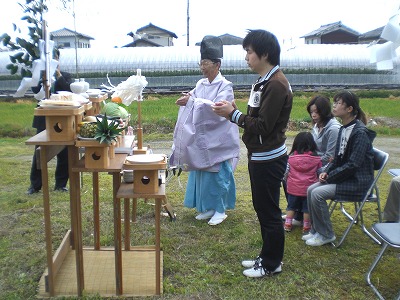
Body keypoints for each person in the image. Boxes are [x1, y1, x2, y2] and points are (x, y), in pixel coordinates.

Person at [212, 30, 293, 278]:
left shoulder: (276, 84)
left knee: (268, 211)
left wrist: (232, 114)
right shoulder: (265, 81)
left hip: (269, 158)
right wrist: (235, 110)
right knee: (262, 208)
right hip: (260, 155)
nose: (246, 57)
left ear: (264, 53)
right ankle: (266, 256)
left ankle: (271, 263)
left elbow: (263, 126)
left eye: (249, 52)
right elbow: (257, 118)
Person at [170, 36, 240, 226]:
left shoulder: (225, 86)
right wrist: (187, 98)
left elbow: (218, 108)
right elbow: (194, 97)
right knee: (203, 172)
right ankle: (208, 207)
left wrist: (192, 102)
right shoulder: (201, 84)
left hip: (219, 137)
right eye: (201, 63)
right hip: (203, 137)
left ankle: (220, 209)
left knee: (219, 174)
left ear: (217, 65)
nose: (202, 67)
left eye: (205, 63)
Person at [304, 91, 376, 246]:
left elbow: (353, 165)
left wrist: (330, 176)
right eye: (334, 102)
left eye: (338, 103)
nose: (334, 105)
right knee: (311, 189)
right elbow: (337, 159)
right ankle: (316, 230)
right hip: (345, 178)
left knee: (317, 194)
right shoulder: (345, 129)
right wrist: (326, 172)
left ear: (349, 109)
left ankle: (326, 234)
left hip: (357, 183)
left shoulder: (360, 133)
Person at [285, 95, 341, 224]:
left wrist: (308, 161)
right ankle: (296, 212)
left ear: (325, 111)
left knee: (296, 179)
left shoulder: (333, 129)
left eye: (317, 112)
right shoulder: (317, 125)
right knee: (288, 178)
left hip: (323, 167)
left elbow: (330, 156)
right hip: (312, 162)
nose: (313, 115)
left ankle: (300, 214)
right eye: (311, 112)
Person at [26, 48, 74, 195]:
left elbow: (70, 91)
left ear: (58, 59)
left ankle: (60, 184)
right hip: (43, 120)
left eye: (55, 57)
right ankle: (35, 185)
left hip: (62, 120)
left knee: (64, 153)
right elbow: (35, 91)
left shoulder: (66, 76)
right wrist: (42, 77)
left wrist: (58, 76)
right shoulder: (40, 77)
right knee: (40, 153)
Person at [283, 132, 321, 234]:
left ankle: (287, 224)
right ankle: (306, 227)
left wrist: (286, 179)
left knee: (291, 207)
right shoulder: (316, 159)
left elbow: (286, 172)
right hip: (308, 189)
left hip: (293, 188)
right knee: (306, 209)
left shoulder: (291, 158)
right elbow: (320, 172)